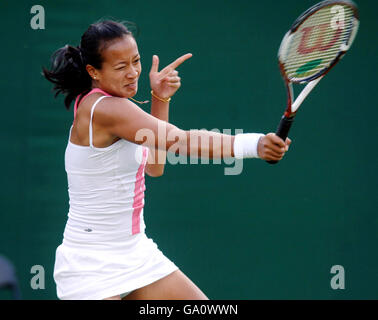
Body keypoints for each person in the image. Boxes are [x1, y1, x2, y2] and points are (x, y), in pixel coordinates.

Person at [42, 19, 291, 300]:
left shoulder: (117, 107)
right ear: (93, 71)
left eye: (136, 61)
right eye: (121, 67)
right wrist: (253, 144)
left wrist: (160, 98)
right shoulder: (104, 109)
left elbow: (155, 167)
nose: (133, 72)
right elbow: (180, 140)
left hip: (135, 253)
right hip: (90, 264)